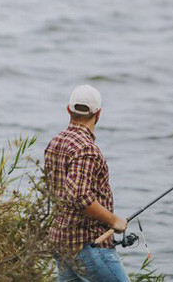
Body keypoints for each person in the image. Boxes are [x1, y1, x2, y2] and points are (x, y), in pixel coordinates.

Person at [44, 85, 130, 282]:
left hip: (61, 242)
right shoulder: (87, 149)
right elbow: (80, 197)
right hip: (87, 245)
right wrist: (113, 220)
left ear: (68, 110)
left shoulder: (55, 141)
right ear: (98, 113)